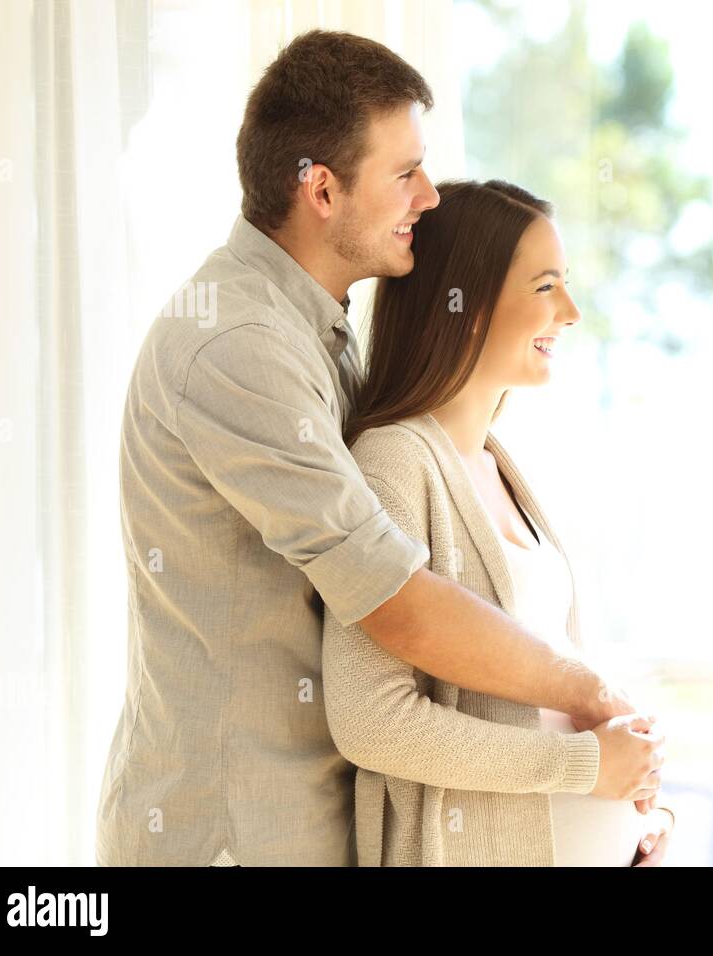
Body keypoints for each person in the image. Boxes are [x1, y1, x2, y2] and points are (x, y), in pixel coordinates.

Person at [94, 30, 659, 867]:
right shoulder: (238, 346)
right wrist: (591, 699)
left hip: (302, 825)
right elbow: (395, 601)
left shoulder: (320, 340)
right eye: (404, 174)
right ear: (320, 189)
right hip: (229, 833)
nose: (427, 197)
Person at [323, 179, 675, 866]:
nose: (571, 312)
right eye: (547, 287)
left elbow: (559, 687)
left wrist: (643, 816)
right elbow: (372, 721)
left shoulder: (501, 466)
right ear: (471, 305)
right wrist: (588, 770)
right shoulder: (394, 462)